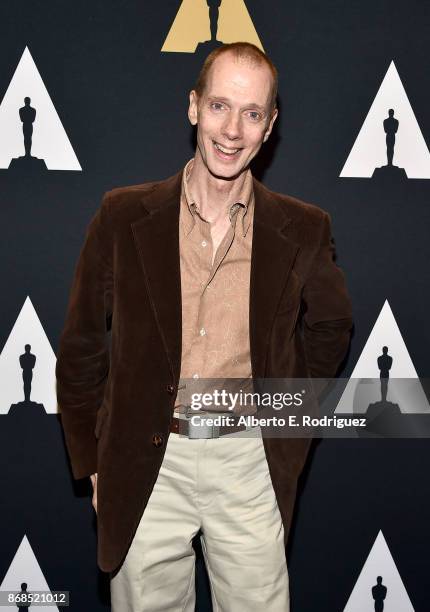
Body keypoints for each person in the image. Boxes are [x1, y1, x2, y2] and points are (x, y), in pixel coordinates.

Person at [56, 42, 353, 611]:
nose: (232, 130)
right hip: (147, 463)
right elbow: (82, 348)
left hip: (248, 461)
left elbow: (331, 329)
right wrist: (93, 466)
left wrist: (284, 425)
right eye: (219, 106)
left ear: (270, 126)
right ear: (193, 107)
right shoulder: (122, 215)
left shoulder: (305, 227)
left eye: (252, 113)